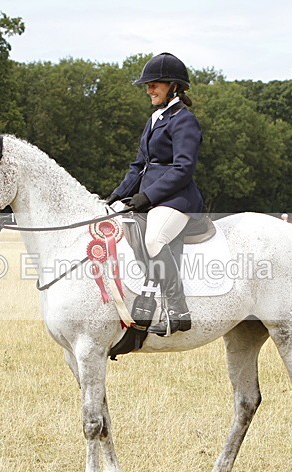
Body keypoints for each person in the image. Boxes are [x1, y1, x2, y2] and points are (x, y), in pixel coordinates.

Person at [106, 52, 204, 336]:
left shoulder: (184, 120)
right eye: (147, 85)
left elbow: (183, 168)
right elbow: (138, 166)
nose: (149, 89)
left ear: (173, 86)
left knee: (153, 238)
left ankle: (178, 310)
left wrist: (146, 197)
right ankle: (144, 299)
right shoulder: (154, 119)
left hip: (177, 199)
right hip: (151, 197)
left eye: (155, 84)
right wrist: (114, 198)